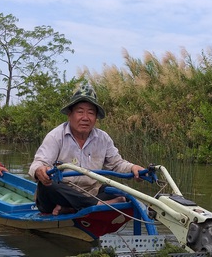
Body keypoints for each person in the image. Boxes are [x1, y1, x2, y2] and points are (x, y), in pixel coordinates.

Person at [29, 81, 144, 215]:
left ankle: (72, 208)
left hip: (91, 192)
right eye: (80, 112)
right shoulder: (56, 136)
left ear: (95, 118)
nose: (85, 118)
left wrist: (133, 168)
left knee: (121, 191)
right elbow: (38, 164)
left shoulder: (103, 138)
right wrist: (40, 171)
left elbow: (117, 164)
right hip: (59, 196)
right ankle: (93, 205)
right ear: (70, 115)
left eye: (90, 113)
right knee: (46, 185)